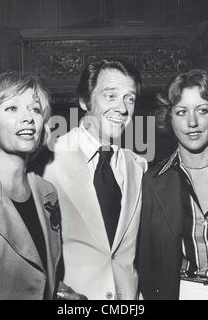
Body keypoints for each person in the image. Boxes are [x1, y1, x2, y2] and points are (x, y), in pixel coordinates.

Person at [0, 72, 84, 300]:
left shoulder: (46, 191)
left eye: (34, 109)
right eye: (12, 108)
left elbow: (34, 273)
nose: (29, 118)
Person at [138, 69, 208, 300]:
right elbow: (146, 262)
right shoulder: (152, 181)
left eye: (202, 110)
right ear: (169, 117)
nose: (192, 123)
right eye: (181, 112)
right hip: (183, 292)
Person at [43, 59, 147, 300]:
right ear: (84, 100)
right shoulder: (48, 162)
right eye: (110, 96)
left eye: (129, 98)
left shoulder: (140, 167)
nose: (122, 108)